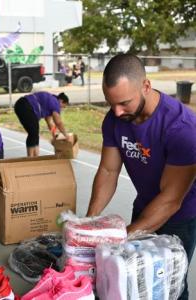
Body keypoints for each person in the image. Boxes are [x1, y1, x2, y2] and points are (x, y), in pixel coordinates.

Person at [86, 54, 196, 300]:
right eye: (110, 103)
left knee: (170, 284)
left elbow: (171, 199)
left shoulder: (182, 128)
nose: (116, 111)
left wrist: (122, 238)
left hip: (180, 217)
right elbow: (108, 170)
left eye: (124, 102)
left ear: (146, 86)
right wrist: (89, 223)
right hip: (145, 204)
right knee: (132, 280)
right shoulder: (115, 119)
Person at [14, 91, 70, 157]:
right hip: (25, 106)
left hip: (21, 105)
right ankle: (30, 158)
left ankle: (35, 156)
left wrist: (55, 135)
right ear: (61, 101)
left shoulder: (51, 100)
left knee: (34, 133)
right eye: (63, 106)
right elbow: (58, 122)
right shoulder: (55, 103)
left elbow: (49, 123)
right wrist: (66, 135)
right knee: (33, 133)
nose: (61, 109)